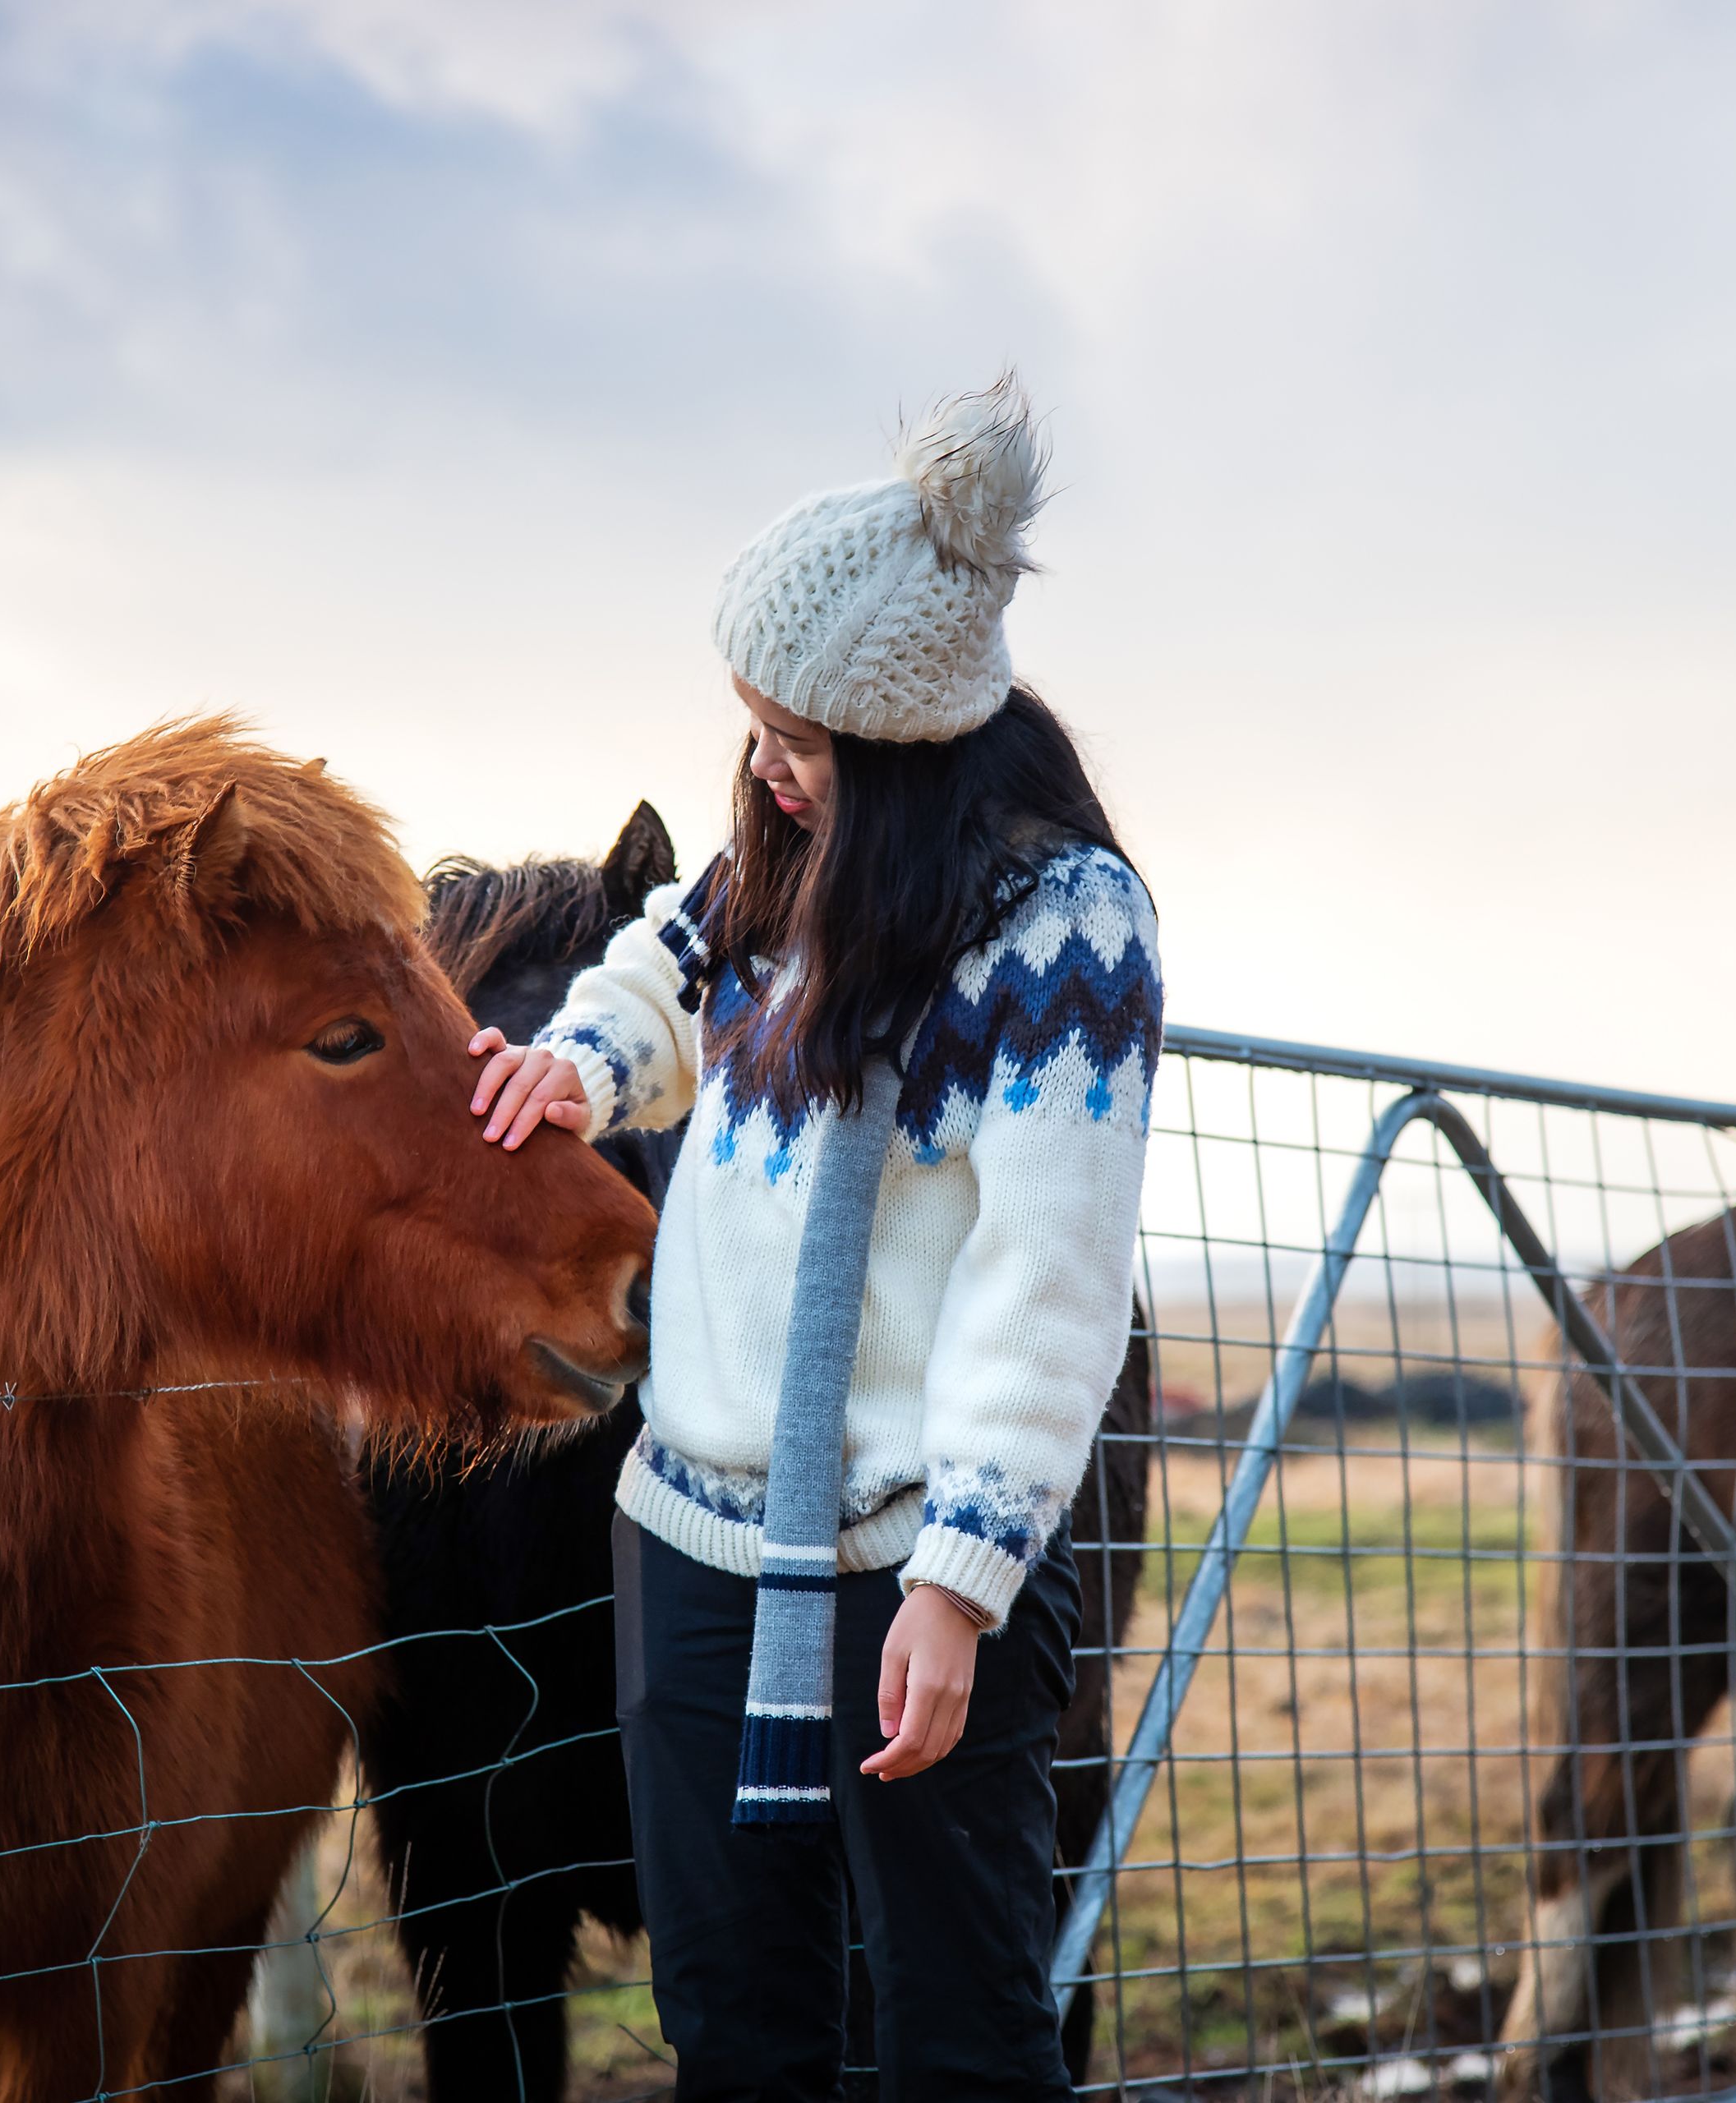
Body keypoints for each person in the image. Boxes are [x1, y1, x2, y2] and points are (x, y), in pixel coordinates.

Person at [467, 374, 1162, 2101]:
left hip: (918, 1565)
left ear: (903, 740)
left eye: (791, 735)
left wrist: (964, 1579)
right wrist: (578, 1065)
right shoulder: (782, 847)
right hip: (689, 1538)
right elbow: (667, 964)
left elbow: (1048, 1278)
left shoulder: (1063, 927)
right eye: (754, 726)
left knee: (954, 2033)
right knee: (737, 2026)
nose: (760, 771)